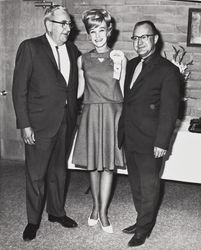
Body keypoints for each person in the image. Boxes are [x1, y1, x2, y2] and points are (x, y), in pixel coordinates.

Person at [12, 5, 80, 241]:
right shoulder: (30, 47)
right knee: (36, 174)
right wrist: (24, 124)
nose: (68, 29)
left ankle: (57, 212)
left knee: (59, 171)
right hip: (38, 124)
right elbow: (19, 90)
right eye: (64, 24)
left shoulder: (72, 50)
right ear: (49, 24)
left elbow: (74, 86)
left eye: (70, 24)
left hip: (65, 122)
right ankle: (33, 220)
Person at [118, 20, 181, 247]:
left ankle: (144, 228)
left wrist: (162, 142)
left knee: (149, 184)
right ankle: (141, 219)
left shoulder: (168, 71)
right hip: (130, 137)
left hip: (151, 140)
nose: (139, 42)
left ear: (155, 39)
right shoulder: (132, 65)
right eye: (135, 38)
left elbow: (170, 111)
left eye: (144, 37)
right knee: (135, 183)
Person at [72, 9, 126, 234]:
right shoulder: (82, 59)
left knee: (108, 167)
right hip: (91, 115)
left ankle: (103, 212)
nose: (97, 35)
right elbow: (79, 92)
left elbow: (123, 90)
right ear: (88, 33)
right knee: (93, 166)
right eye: (92, 31)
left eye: (101, 30)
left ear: (109, 31)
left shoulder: (119, 57)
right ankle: (95, 206)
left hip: (113, 114)